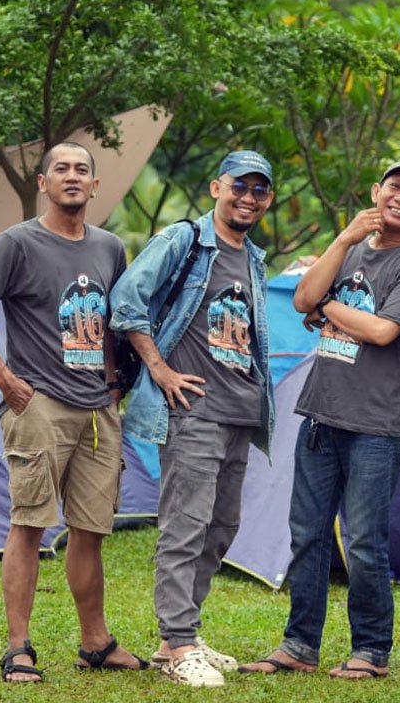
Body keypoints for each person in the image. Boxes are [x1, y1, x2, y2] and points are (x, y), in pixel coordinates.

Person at [0, 141, 149, 683]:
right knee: (29, 524)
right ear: (43, 183)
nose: (72, 176)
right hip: (39, 406)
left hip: (98, 412)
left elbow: (111, 323)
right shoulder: (15, 243)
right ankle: (18, 649)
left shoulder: (109, 247)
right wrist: (6, 380)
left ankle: (96, 643)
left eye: (82, 169)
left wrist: (113, 385)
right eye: (61, 168)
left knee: (90, 529)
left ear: (95, 185)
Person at [238, 161, 400, 680]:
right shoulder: (348, 251)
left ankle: (371, 649)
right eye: (395, 187)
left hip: (374, 424)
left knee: (365, 542)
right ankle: (300, 645)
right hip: (319, 416)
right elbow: (301, 298)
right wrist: (345, 237)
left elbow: (382, 331)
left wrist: (328, 306)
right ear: (376, 192)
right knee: (307, 534)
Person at [109, 150, 276, 688]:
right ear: (216, 188)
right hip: (192, 412)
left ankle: (178, 638)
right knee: (186, 526)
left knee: (221, 528)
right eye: (239, 186)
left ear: (268, 199)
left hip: (240, 414)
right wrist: (159, 369)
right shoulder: (183, 240)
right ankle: (179, 643)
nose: (248, 197)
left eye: (259, 190)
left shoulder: (254, 258)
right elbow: (126, 300)